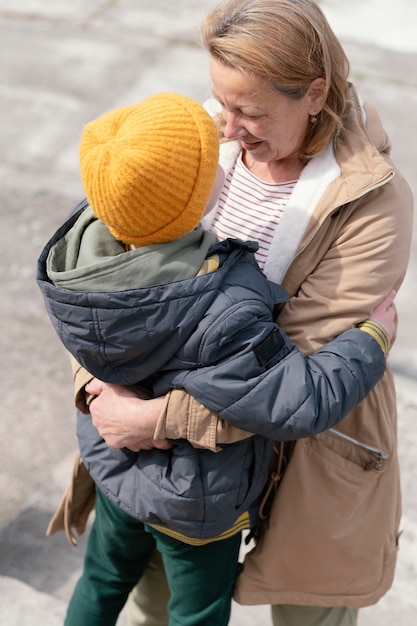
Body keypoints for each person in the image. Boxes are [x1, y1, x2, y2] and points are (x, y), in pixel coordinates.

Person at [76, 1, 413, 626]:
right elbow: (103, 277)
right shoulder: (193, 142)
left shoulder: (373, 204)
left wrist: (152, 418)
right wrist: (96, 386)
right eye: (220, 102)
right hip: (177, 472)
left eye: (250, 112)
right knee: (157, 606)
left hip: (312, 455)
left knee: (308, 612)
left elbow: (297, 379)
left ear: (314, 94)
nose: (227, 127)